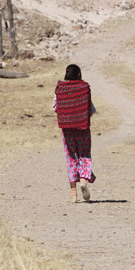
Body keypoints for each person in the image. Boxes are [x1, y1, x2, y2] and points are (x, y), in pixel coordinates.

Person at [53, 64, 96, 203]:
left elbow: (55, 107)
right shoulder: (83, 88)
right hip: (83, 129)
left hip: (67, 130)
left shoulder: (61, 89)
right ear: (79, 75)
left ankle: (73, 194)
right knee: (84, 155)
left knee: (71, 158)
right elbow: (91, 109)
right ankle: (83, 180)